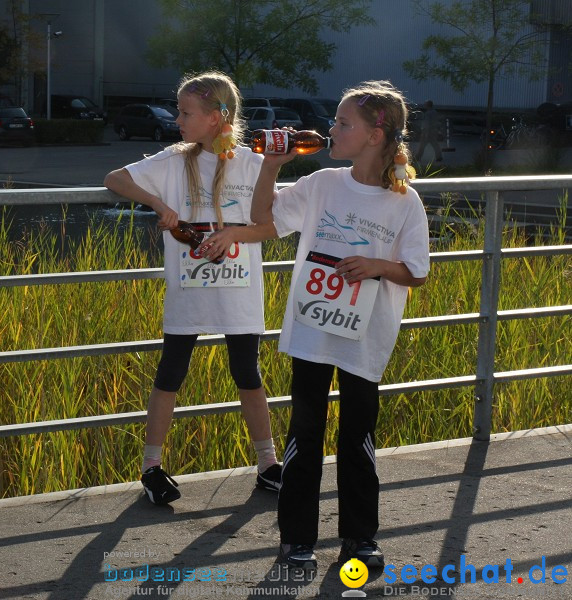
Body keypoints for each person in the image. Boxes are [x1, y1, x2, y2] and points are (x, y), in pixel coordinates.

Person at [225, 80, 429, 571]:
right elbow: (265, 221)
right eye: (335, 121)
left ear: (376, 136)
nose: (331, 129)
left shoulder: (405, 202)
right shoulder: (321, 184)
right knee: (305, 431)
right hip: (313, 332)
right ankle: (296, 539)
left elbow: (417, 272)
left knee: (358, 435)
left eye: (342, 123)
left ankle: (359, 537)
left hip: (364, 337)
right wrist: (271, 166)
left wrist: (377, 266)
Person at [103, 71, 282, 506]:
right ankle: (151, 467)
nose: (177, 118)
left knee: (248, 373)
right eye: (179, 111)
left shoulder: (254, 164)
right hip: (189, 291)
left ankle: (268, 464)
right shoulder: (171, 160)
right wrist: (158, 203)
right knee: (171, 374)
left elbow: (269, 225)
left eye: (186, 112)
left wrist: (235, 235)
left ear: (217, 116)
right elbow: (115, 179)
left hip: (239, 291)